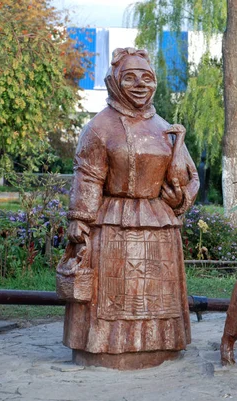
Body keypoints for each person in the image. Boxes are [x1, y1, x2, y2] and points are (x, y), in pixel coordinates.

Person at [61, 47, 199, 369]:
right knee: (112, 295)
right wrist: (79, 220)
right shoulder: (99, 127)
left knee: (155, 293)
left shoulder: (165, 128)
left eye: (147, 77)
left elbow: (190, 177)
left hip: (159, 224)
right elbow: (88, 175)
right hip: (111, 224)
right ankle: (103, 349)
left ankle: (159, 348)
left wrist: (180, 197)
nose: (140, 84)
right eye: (130, 77)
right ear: (114, 81)